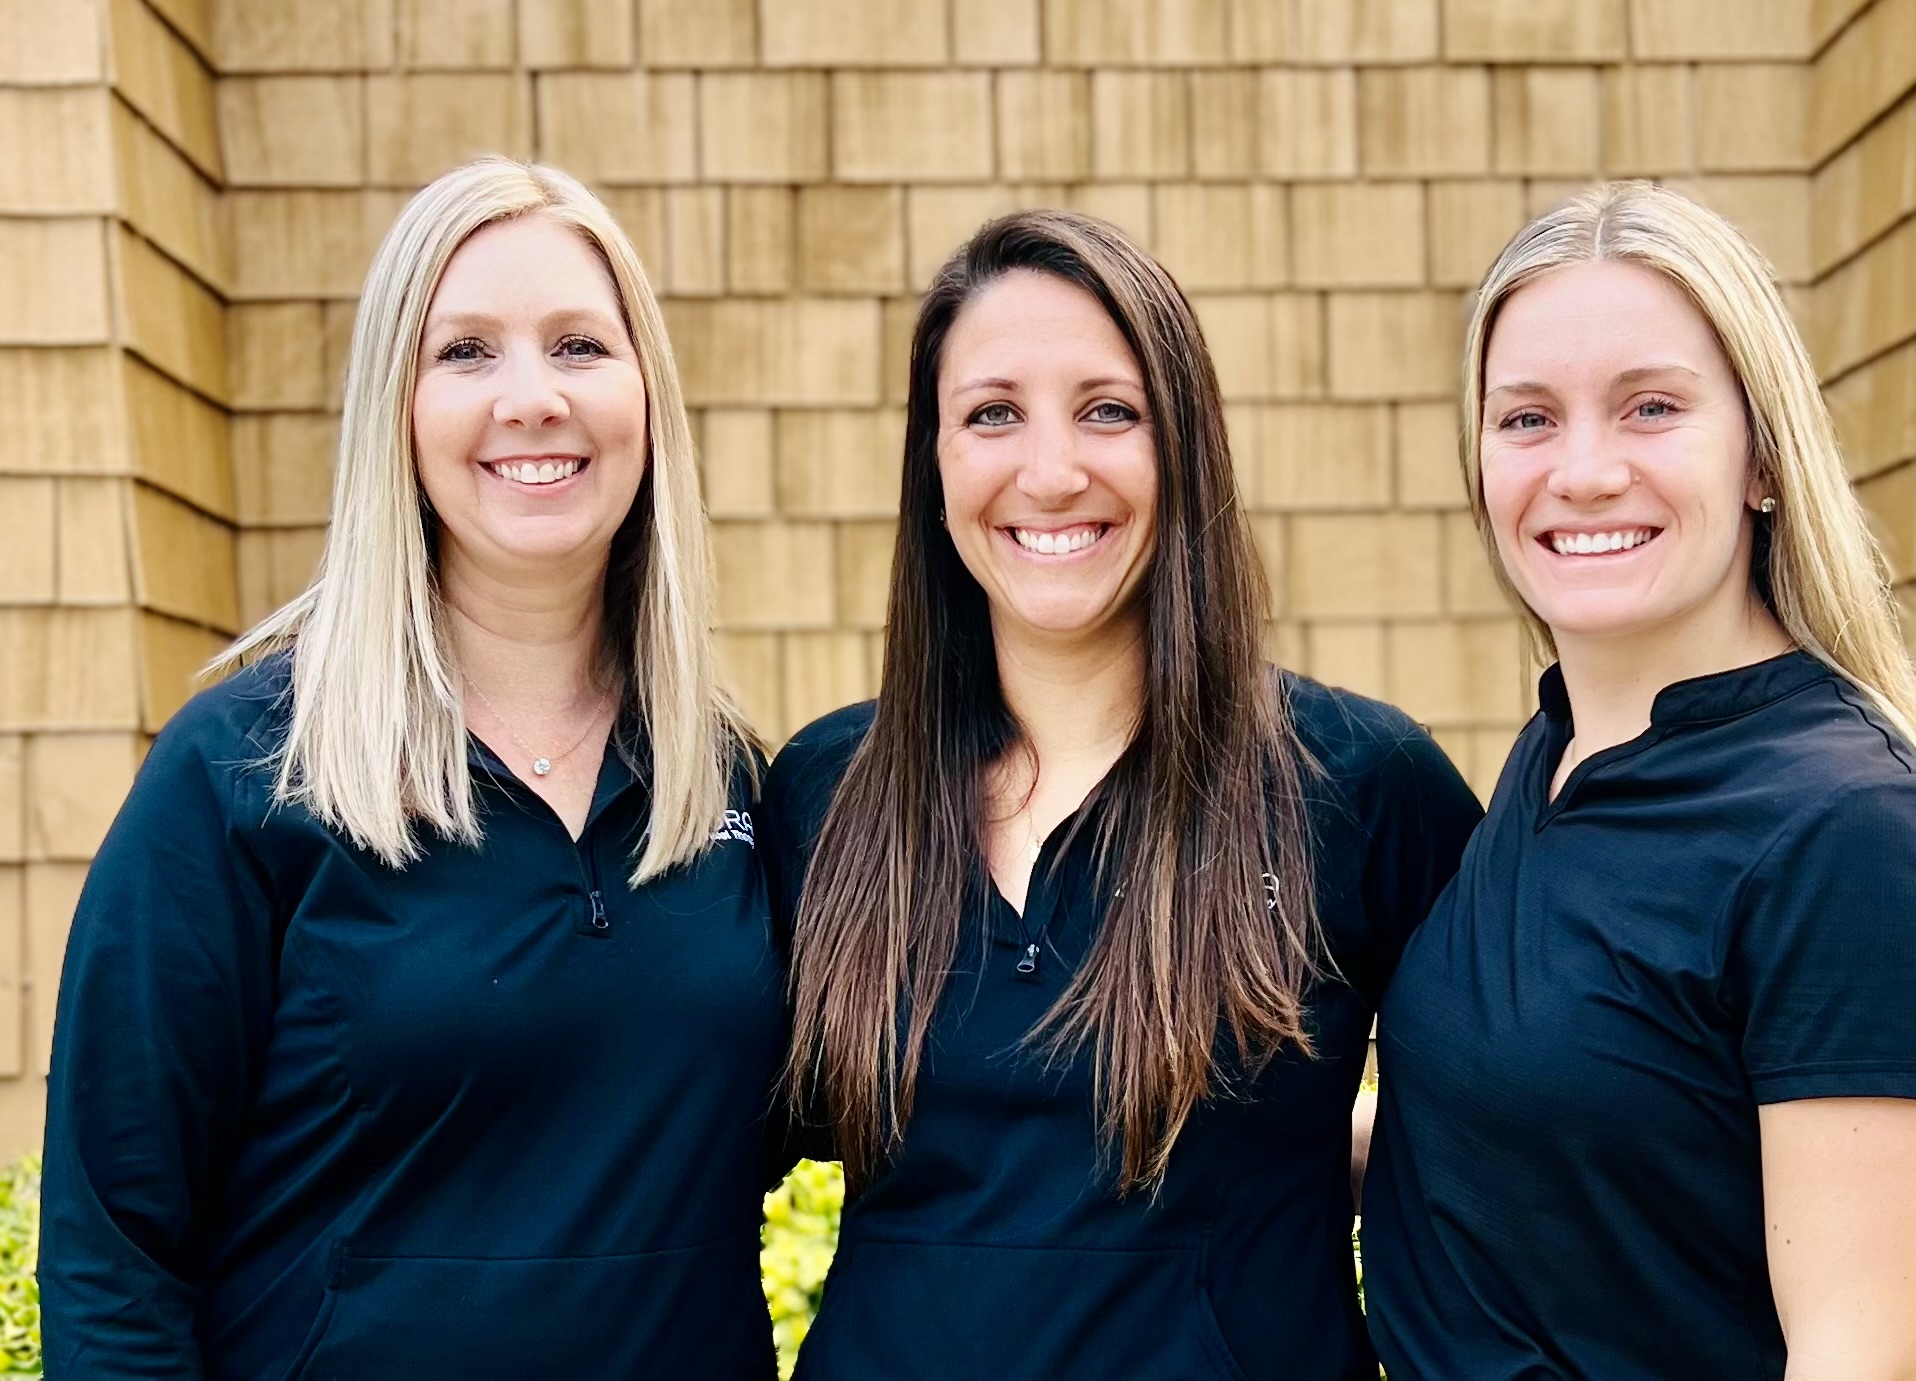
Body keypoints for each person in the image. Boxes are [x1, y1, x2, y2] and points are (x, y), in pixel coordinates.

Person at [40, 159, 787, 1379]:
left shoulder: (727, 781)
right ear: (398, 403)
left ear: (647, 396)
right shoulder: (242, 774)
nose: (532, 397)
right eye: (467, 351)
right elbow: (113, 1249)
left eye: (581, 346)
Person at [762, 209, 1482, 1380]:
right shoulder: (823, 794)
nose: (1051, 472)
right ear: (934, 461)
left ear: (1182, 447)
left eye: (1109, 410)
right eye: (992, 413)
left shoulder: (1358, 783)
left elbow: (1527, 1115)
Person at [1359, 180, 1916, 1378]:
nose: (1584, 470)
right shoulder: (1560, 754)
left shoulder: (1850, 839)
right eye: (1526, 419)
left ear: (1763, 459)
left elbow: (1863, 1364)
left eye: (1650, 407)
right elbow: (1544, 1144)